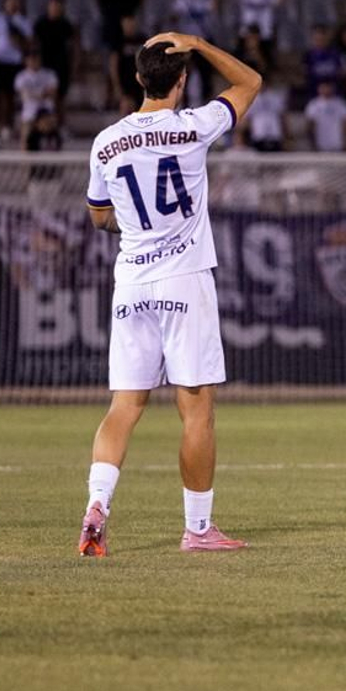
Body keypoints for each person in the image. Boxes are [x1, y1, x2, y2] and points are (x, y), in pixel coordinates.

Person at [78, 31, 263, 557]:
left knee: (124, 406)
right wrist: (199, 44)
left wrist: (136, 226)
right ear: (181, 81)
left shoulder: (106, 142)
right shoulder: (194, 126)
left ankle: (97, 504)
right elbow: (250, 82)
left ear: (138, 79)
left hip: (132, 282)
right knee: (197, 408)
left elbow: (99, 218)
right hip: (184, 279)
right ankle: (198, 529)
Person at [0, 0, 32, 131]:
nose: (13, 4)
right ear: (5, 3)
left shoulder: (24, 21)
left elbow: (29, 44)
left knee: (10, 95)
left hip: (15, 63)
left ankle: (8, 125)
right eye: (10, 1)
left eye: (15, 2)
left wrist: (19, 43)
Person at [33, 0, 77, 106]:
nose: (55, 8)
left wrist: (74, 63)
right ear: (48, 7)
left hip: (61, 64)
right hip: (44, 63)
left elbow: (73, 45)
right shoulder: (40, 24)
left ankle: (60, 116)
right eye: (53, 5)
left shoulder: (66, 24)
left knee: (60, 96)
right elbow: (34, 44)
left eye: (58, 6)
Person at [13, 49, 59, 135]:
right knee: (26, 130)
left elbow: (52, 93)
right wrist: (42, 93)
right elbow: (24, 95)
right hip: (30, 110)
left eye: (36, 58)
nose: (33, 61)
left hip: (46, 109)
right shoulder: (21, 76)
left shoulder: (49, 74)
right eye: (31, 59)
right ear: (26, 60)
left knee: (48, 122)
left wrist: (33, 94)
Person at [304, 79, 346, 151]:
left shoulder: (341, 104)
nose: (326, 90)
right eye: (323, 87)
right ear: (319, 88)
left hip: (337, 144)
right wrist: (312, 144)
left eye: (328, 87)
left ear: (333, 88)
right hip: (320, 145)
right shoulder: (313, 105)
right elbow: (310, 126)